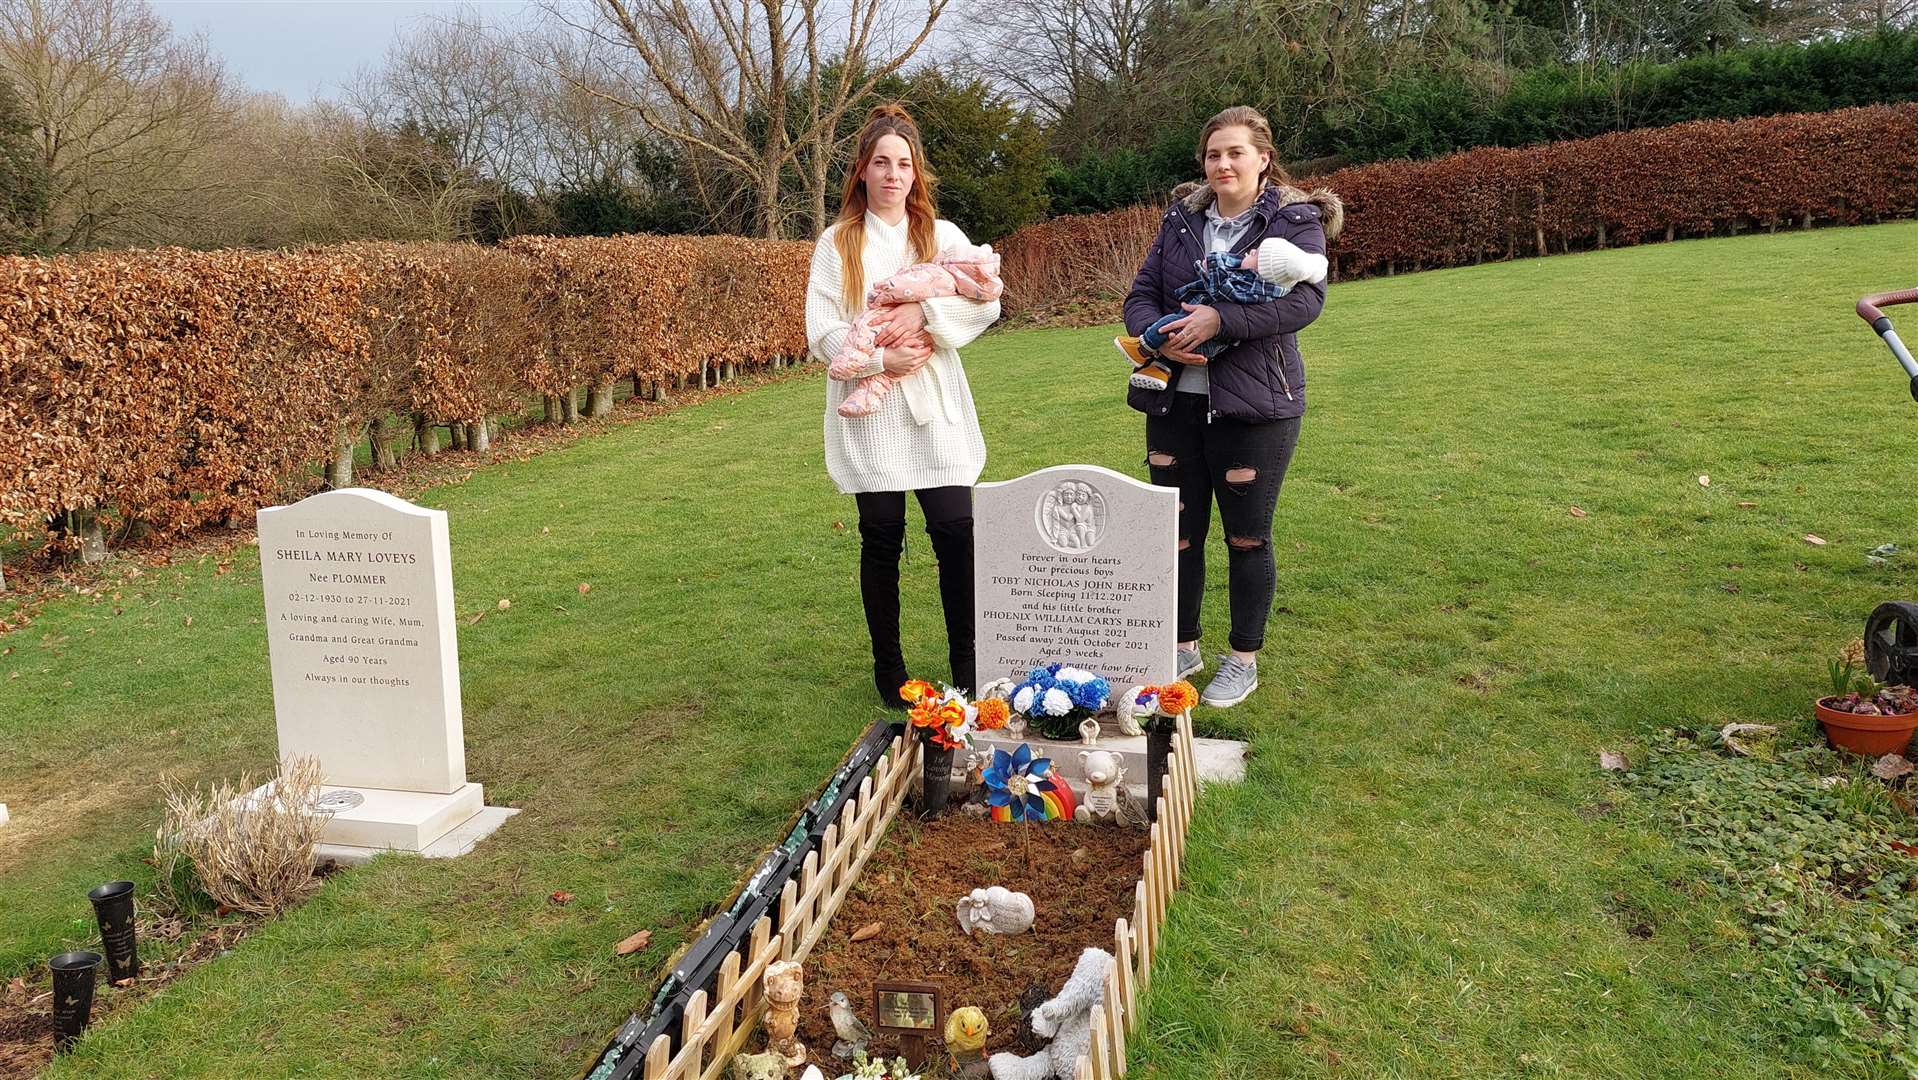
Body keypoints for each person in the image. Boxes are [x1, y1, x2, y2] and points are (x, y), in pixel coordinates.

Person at [1123, 105, 1342, 708]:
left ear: (1263, 158)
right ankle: (1183, 646)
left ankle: (1242, 658)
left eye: (1236, 153)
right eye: (1214, 154)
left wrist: (1223, 319)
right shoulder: (1180, 221)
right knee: (1177, 535)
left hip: (1256, 407)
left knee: (1247, 538)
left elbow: (1305, 303)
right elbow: (1142, 293)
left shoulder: (1294, 221)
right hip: (1174, 402)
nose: (1223, 164)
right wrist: (1156, 334)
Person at [808, 104, 1002, 707]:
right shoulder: (837, 243)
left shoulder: (941, 237)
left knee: (955, 530)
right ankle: (889, 671)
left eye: (904, 164)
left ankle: (969, 667)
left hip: (934, 411)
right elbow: (821, 329)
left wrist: (926, 314)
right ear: (862, 171)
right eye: (881, 162)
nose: (893, 174)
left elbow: (986, 302)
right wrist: (876, 362)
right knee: (882, 535)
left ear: (917, 174)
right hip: (872, 413)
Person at [1114, 244, 1325, 391]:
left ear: (1260, 271)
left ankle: (1142, 348)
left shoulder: (1248, 286)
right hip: (1205, 353)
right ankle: (1158, 370)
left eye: (1255, 255)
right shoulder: (1272, 287)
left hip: (1209, 345)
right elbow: (1143, 292)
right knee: (1176, 339)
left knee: (1169, 325)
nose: (1249, 252)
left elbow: (1222, 288)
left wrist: (1212, 265)